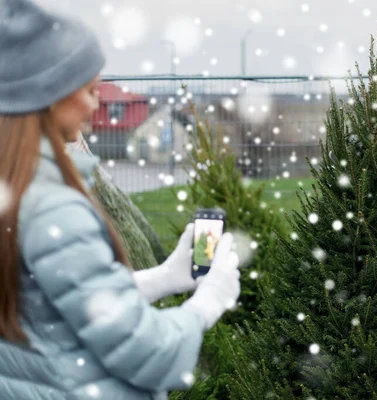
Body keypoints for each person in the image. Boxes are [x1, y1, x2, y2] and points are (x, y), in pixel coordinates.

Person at [0, 1, 240, 399]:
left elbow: (54, 308)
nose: (96, 106)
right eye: (91, 90)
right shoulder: (52, 209)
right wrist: (209, 301)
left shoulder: (14, 193)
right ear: (50, 96)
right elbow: (148, 351)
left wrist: (162, 278)